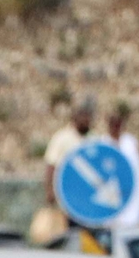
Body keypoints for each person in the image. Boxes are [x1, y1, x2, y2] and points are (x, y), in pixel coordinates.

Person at [34, 97, 95, 245]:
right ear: (76, 118)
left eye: (89, 117)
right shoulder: (62, 138)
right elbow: (51, 165)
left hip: (87, 203)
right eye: (84, 117)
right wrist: (50, 191)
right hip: (67, 203)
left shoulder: (92, 139)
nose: (87, 121)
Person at [106, 103, 139, 229]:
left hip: (129, 188)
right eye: (113, 123)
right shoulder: (104, 142)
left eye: (118, 123)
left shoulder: (130, 142)